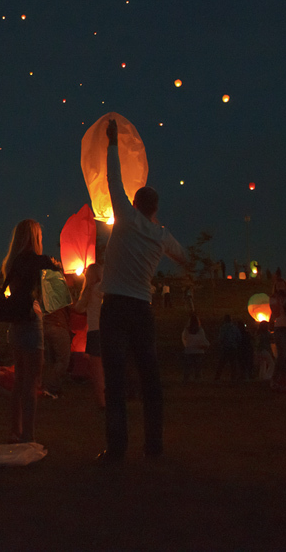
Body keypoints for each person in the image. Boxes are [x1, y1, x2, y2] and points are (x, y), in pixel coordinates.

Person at [97, 119, 187, 463]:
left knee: (116, 381)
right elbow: (183, 255)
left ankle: (117, 448)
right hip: (142, 310)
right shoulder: (161, 235)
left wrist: (112, 142)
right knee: (151, 380)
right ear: (155, 209)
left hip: (116, 308)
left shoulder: (124, 216)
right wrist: (181, 262)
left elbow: (112, 178)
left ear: (134, 203)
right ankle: (154, 446)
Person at [0, 219, 61, 444]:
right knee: (32, 382)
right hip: (32, 321)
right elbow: (58, 295)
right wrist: (57, 267)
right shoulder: (40, 261)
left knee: (19, 381)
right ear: (35, 237)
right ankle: (29, 436)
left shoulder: (12, 262)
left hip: (15, 325)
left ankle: (15, 431)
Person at [73, 262, 105, 409]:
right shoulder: (107, 289)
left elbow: (79, 307)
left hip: (94, 331)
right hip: (108, 330)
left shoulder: (91, 290)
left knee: (97, 369)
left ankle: (102, 400)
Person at [181, 314, 210, 381]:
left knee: (188, 367)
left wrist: (188, 345)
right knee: (198, 367)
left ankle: (186, 379)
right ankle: (198, 379)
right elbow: (202, 339)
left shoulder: (186, 330)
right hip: (199, 351)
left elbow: (184, 338)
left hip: (189, 351)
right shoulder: (200, 330)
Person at [214, 314, 242, 382]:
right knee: (233, 364)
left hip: (225, 347)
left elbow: (221, 338)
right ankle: (233, 378)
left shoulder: (223, 328)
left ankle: (217, 377)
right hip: (233, 347)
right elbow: (239, 338)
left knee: (221, 363)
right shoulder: (235, 328)